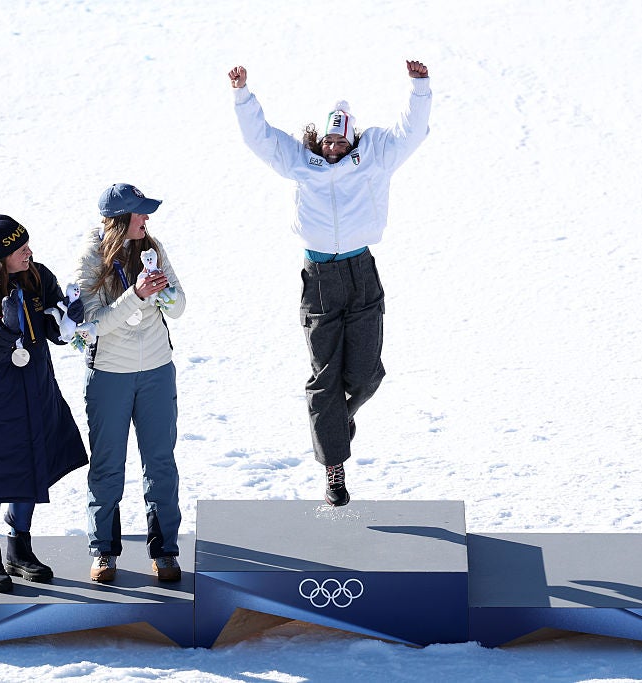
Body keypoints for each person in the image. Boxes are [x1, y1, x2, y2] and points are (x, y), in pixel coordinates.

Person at [227, 60, 432, 507]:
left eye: (341, 139)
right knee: (325, 378)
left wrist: (419, 87)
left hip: (361, 273)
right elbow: (261, 139)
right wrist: (243, 95)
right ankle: (334, 470)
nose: (334, 146)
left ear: (353, 139)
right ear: (319, 140)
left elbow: (411, 132)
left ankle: (339, 420)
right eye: (328, 139)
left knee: (365, 374)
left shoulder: (374, 160)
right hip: (319, 278)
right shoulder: (303, 164)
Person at [0, 214, 89, 592]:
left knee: (30, 469)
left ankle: (20, 548)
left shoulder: (37, 275)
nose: (28, 251)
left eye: (27, 243)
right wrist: (6, 326)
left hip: (35, 391)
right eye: (18, 247)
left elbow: (52, 326)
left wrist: (66, 321)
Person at [71, 183, 187, 583]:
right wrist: (137, 296)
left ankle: (166, 551)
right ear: (120, 219)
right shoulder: (90, 258)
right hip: (109, 376)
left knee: (161, 463)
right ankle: (104, 552)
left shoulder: (152, 245)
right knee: (107, 467)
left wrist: (164, 295)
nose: (147, 219)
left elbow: (181, 305)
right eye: (140, 213)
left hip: (157, 369)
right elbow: (93, 325)